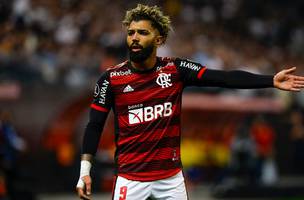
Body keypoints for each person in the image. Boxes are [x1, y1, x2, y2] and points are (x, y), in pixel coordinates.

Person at [76, 4, 304, 200]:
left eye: (142, 32)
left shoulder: (175, 69)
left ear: (159, 39)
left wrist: (270, 80)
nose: (134, 38)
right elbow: (94, 125)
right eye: (131, 32)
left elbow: (222, 78)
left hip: (170, 179)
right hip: (130, 178)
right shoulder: (111, 79)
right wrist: (84, 171)